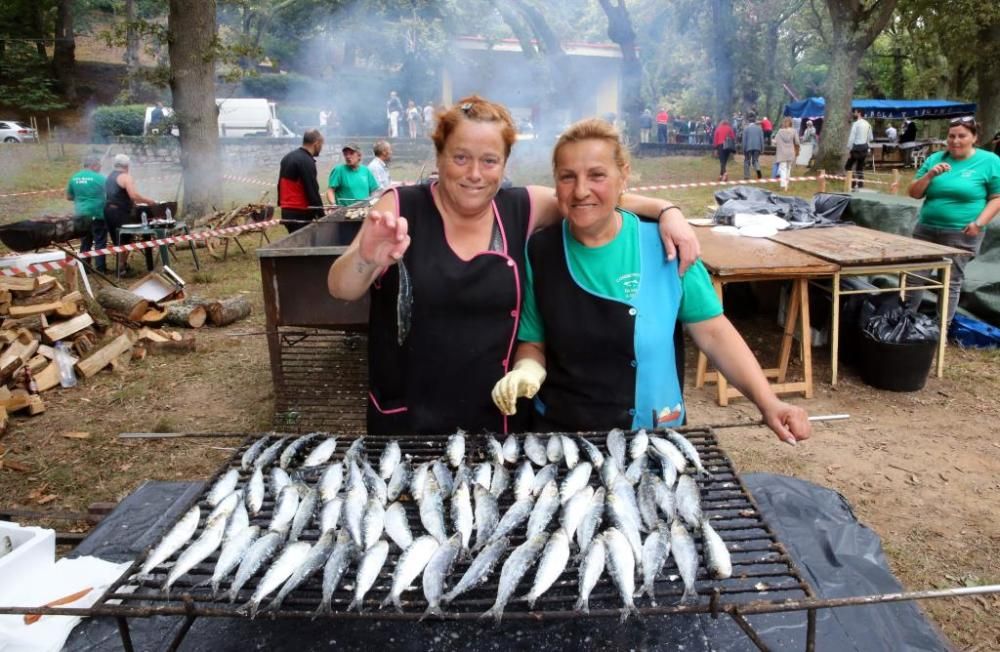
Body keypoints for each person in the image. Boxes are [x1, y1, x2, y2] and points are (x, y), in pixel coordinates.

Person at [326, 95, 701, 437]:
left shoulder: (522, 207)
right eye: (460, 157)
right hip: (408, 418)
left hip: (500, 416)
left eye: (489, 161)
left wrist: (666, 210)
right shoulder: (399, 206)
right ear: (439, 155)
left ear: (504, 164)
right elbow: (340, 288)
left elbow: (587, 199)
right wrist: (366, 259)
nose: (475, 173)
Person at [491, 119, 810, 445]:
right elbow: (534, 340)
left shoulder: (666, 244)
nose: (581, 190)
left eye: (597, 175)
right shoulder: (540, 252)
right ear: (556, 183)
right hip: (564, 438)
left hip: (654, 431)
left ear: (623, 176)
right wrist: (527, 368)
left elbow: (714, 333)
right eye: (567, 177)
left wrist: (768, 402)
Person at [905, 116, 1000, 326]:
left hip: (962, 232)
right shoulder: (936, 158)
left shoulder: (990, 161)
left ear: (974, 138)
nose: (955, 141)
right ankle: (904, 321)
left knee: (950, 280)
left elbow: (997, 197)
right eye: (951, 136)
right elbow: (914, 193)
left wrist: (979, 223)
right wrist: (929, 175)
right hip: (926, 229)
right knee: (914, 277)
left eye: (962, 136)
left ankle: (941, 329)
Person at [103, 154, 156, 274]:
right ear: (127, 165)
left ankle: (122, 266)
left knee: (117, 240)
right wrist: (149, 201)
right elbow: (134, 195)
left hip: (108, 211)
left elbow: (116, 195)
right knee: (125, 239)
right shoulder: (126, 177)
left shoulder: (109, 177)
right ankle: (121, 268)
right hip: (119, 212)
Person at [277, 129, 326, 234]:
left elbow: (280, 185)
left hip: (286, 211)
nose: (321, 148)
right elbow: (312, 190)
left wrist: (280, 204)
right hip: (300, 212)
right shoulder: (306, 161)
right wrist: (321, 215)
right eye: (321, 145)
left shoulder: (287, 157)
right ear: (316, 143)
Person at [66, 155, 107, 272]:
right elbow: (110, 194)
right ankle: (101, 268)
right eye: (99, 165)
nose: (100, 168)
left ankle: (85, 268)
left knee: (85, 242)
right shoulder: (100, 178)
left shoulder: (74, 178)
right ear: (94, 166)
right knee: (100, 241)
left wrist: (81, 198)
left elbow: (69, 197)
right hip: (97, 213)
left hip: (80, 214)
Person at [327, 142, 379, 207]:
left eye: (351, 153)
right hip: (344, 211)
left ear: (359, 155)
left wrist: (372, 203)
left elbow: (374, 190)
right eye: (345, 154)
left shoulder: (366, 170)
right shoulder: (339, 170)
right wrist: (333, 204)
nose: (348, 156)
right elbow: (330, 190)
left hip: (364, 210)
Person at [845, 109, 872, 190]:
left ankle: (853, 183)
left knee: (848, 166)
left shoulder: (856, 124)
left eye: (855, 112)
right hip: (864, 148)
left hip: (856, 148)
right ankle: (860, 184)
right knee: (860, 167)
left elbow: (851, 138)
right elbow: (870, 137)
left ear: (859, 113)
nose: (854, 113)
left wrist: (849, 148)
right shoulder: (868, 124)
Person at [773, 117, 800, 191]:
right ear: (791, 123)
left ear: (783, 123)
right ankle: (786, 185)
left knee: (782, 169)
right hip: (791, 152)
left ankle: (783, 184)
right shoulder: (794, 131)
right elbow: (797, 142)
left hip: (782, 153)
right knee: (788, 168)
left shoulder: (779, 131)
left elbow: (775, 142)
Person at [742, 115, 764, 180]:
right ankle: (758, 172)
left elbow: (744, 140)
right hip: (757, 147)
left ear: (748, 121)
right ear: (755, 121)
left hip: (748, 147)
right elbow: (761, 139)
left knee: (746, 161)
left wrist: (743, 149)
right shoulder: (759, 129)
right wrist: (762, 148)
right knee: (755, 160)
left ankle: (746, 176)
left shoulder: (746, 129)